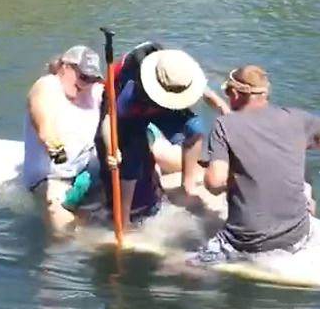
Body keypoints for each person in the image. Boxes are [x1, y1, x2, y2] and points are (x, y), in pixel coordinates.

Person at [188, 64, 320, 264]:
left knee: (175, 265)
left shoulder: (224, 126)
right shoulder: (297, 118)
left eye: (228, 92)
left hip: (245, 242)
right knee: (304, 172)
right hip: (297, 235)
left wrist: (230, 174)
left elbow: (214, 184)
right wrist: (302, 144)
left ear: (236, 93)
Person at [97, 44, 227, 228]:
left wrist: (223, 108)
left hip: (162, 104)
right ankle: (123, 220)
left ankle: (187, 186)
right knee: (132, 153)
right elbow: (109, 120)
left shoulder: (177, 69)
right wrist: (113, 149)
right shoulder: (130, 88)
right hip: (132, 111)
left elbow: (203, 91)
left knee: (195, 129)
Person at [22, 45, 104, 239]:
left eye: (93, 78)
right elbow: (46, 130)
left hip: (86, 169)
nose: (87, 84)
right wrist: (58, 151)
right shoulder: (48, 86)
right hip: (53, 176)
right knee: (55, 202)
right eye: (83, 77)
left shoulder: (93, 91)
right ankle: (70, 244)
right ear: (65, 67)